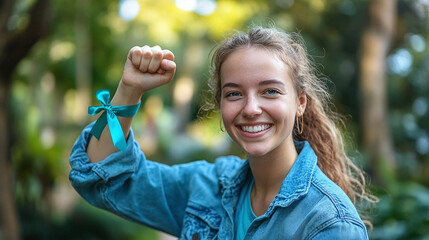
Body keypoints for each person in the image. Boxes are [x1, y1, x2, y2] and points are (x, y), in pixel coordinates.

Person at [69, 27, 373, 239]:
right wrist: (129, 89)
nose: (251, 108)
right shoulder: (206, 186)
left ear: (300, 103)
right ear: (220, 105)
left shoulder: (329, 222)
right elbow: (102, 176)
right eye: (234, 94)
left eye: (270, 91)